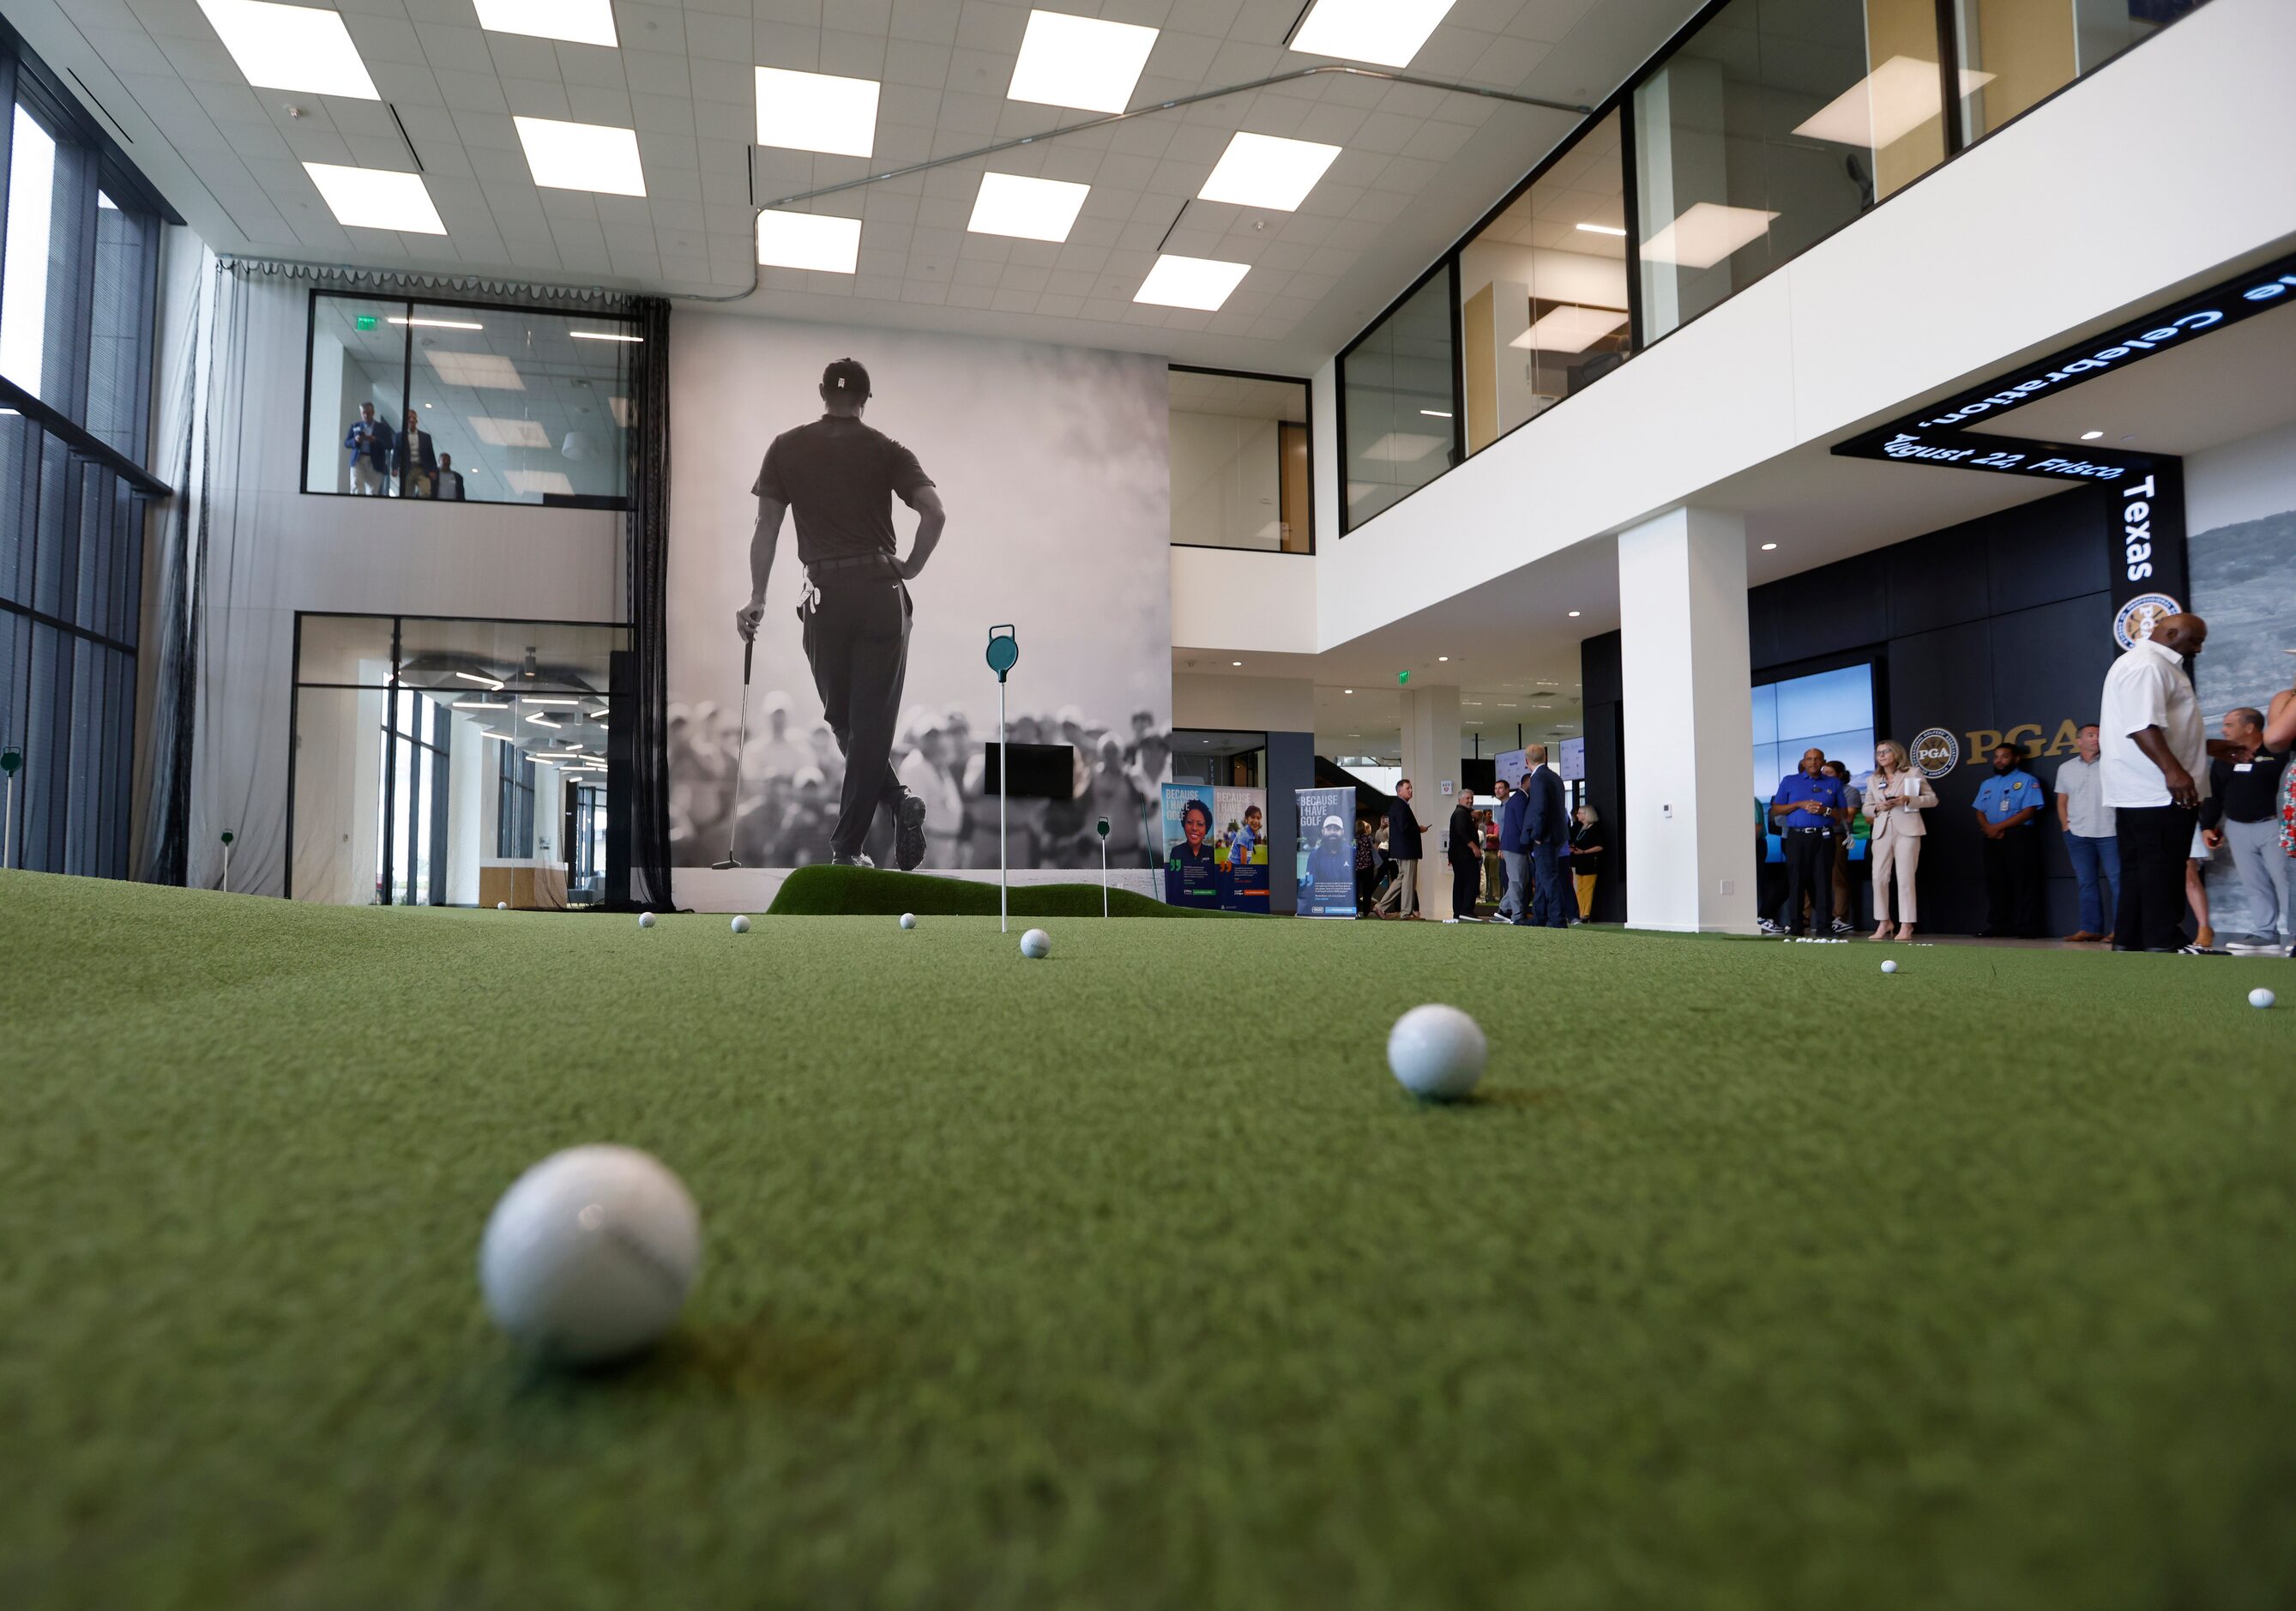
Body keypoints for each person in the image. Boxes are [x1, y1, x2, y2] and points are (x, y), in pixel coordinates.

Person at [735, 357, 942, 870]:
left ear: (821, 392)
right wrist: (911, 567)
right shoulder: (887, 449)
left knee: (844, 722)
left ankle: (855, 842)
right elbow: (935, 511)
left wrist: (757, 595)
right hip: (878, 590)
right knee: (870, 726)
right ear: (866, 400)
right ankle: (881, 817)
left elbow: (766, 527)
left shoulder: (785, 446)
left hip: (824, 593)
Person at [2100, 612, 2246, 953]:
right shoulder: (2150, 665)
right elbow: (2141, 726)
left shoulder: (2147, 663)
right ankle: (2163, 941)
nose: (2199, 649)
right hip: (2158, 789)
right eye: (2196, 641)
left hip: (2141, 788)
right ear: (2171, 632)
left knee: (2140, 867)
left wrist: (2211, 747)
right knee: (2163, 866)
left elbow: (2163, 730)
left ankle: (2130, 939)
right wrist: (2174, 772)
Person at [2199, 707, 2289, 954]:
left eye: (2229, 725)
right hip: (2237, 828)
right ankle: (2264, 932)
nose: (2223, 730)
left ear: (2250, 727)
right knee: (2254, 884)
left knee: (2287, 882)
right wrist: (2208, 825)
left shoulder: (2279, 752)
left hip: (2274, 826)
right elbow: (2214, 795)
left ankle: (2295, 934)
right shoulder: (2224, 758)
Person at [1762, 748, 1848, 936]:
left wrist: (1824, 811)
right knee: (1796, 881)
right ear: (1804, 762)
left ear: (1823, 762)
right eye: (1809, 759)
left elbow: (1843, 815)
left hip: (1824, 837)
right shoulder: (1789, 781)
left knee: (1823, 881)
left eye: (1817, 759)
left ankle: (1825, 926)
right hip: (1796, 837)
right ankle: (1796, 926)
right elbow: (1776, 809)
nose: (1813, 762)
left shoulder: (1833, 783)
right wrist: (1799, 804)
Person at [1864, 739, 1935, 942]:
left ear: (1896, 753)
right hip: (1882, 830)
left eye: (1886, 751)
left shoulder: (1912, 773)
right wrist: (1877, 807)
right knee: (1878, 877)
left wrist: (1908, 799)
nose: (1882, 755)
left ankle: (1906, 925)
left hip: (1908, 829)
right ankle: (1884, 922)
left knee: (1905, 878)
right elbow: (1866, 808)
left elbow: (1932, 799)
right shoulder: (1873, 779)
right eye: (1879, 752)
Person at [1972, 742, 2046, 938]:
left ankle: (2026, 927)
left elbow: (2029, 811)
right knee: (1995, 883)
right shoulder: (1987, 784)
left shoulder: (2027, 781)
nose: (1999, 760)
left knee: (2023, 883)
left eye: (2004, 756)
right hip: (1991, 838)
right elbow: (1979, 810)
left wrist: (1998, 827)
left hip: (2018, 837)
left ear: (2016, 759)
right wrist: (1989, 828)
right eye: (1996, 757)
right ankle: (1998, 926)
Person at [2053, 723, 2116, 942]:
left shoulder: (2113, 763)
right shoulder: (2066, 768)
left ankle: (2120, 930)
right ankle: (2090, 929)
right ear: (2079, 741)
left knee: (2117, 881)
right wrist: (2065, 825)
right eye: (2090, 735)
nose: (2096, 738)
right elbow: (2062, 800)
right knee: (2086, 882)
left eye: (2099, 734)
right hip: (2078, 834)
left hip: (2111, 831)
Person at [1519, 744, 1569, 929]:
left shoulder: (1538, 778)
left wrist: (1537, 835)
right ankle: (1539, 917)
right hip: (1557, 835)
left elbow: (1540, 809)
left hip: (1544, 837)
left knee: (1548, 878)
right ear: (1545, 757)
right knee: (1541, 878)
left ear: (1526, 761)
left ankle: (1557, 920)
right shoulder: (1555, 777)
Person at [1822, 758, 1859, 931]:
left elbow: (1849, 816)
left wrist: (1826, 811)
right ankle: (1817, 918)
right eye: (1824, 772)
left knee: (1838, 877)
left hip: (1838, 835)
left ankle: (1840, 918)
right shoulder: (1822, 790)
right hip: (1820, 835)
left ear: (1840, 775)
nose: (1824, 775)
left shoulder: (1850, 791)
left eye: (1829, 773)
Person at [1387, 780, 1426, 919]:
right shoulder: (1401, 806)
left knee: (1402, 879)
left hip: (1403, 850)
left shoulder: (1399, 806)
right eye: (1407, 788)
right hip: (1407, 850)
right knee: (1408, 881)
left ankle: (1382, 906)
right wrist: (1419, 829)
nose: (1411, 790)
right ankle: (1405, 912)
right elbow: (1405, 827)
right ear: (1399, 791)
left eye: (1411, 788)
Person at [1497, 775, 1531, 924]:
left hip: (1513, 846)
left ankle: (1504, 908)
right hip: (1515, 846)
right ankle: (1516, 915)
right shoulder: (1520, 800)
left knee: (1519, 880)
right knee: (1517, 881)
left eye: (1500, 788)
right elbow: (1521, 825)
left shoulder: (1515, 800)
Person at [342, 401, 392, 495]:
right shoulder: (355, 426)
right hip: (358, 459)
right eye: (363, 413)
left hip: (375, 461)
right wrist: (356, 440)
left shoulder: (383, 428)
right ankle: (356, 507)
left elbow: (389, 445)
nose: (365, 415)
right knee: (356, 485)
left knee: (373, 490)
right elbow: (346, 443)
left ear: (373, 412)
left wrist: (375, 440)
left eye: (368, 413)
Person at [1447, 787, 1480, 921]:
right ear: (1460, 799)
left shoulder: (1464, 813)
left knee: (1460, 883)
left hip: (1459, 856)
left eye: (1472, 798)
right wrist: (1474, 848)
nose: (1470, 801)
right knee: (1470, 881)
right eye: (1467, 798)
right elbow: (1461, 833)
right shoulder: (1461, 813)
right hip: (1464, 855)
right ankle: (1466, 910)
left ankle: (1459, 912)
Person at [1568, 803, 1603, 923]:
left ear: (1587, 814)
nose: (1577, 815)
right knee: (1579, 889)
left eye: (1580, 813)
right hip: (1579, 862)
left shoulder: (1595, 829)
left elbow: (1599, 846)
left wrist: (1584, 852)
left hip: (1590, 862)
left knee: (1588, 888)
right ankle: (1580, 911)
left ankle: (1586, 914)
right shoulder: (1579, 828)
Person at [392, 407, 437, 498]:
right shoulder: (399, 436)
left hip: (422, 469)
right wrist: (394, 468)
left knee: (425, 493)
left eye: (413, 418)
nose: (411, 420)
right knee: (405, 494)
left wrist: (433, 470)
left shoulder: (425, 437)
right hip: (407, 469)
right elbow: (396, 453)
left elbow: (431, 455)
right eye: (409, 418)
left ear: (416, 421)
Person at [1484, 778, 1510, 908]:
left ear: (1507, 790)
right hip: (1501, 849)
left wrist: (1503, 847)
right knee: (1504, 878)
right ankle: (1507, 908)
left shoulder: (1510, 805)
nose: (1497, 791)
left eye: (1500, 788)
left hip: (1509, 849)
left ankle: (1511, 909)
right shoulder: (1501, 807)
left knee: (1507, 879)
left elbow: (1504, 831)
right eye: (1495, 788)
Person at [1354, 818, 1377, 914]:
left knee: (1356, 889)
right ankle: (1366, 911)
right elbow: (1375, 850)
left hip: (1357, 868)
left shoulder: (1355, 840)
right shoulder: (1369, 838)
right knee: (1367, 890)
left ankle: (1356, 908)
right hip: (1368, 867)